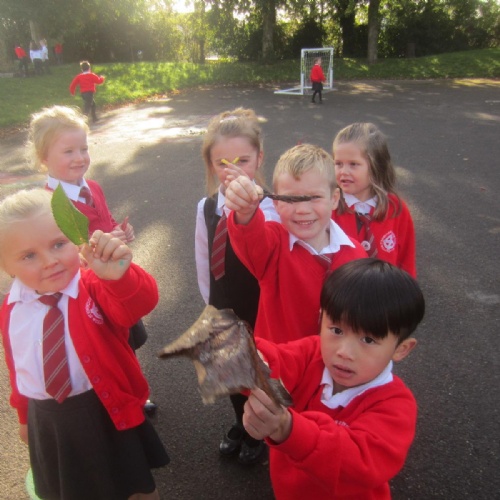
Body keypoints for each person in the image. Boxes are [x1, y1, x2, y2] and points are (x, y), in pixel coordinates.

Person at [0, 188, 169, 500]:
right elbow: (18, 366)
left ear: (75, 239)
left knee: (135, 486)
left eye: (58, 244)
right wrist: (23, 416)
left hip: (104, 408)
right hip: (49, 420)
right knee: (74, 488)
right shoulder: (11, 309)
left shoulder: (92, 285)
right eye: (28, 255)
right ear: (6, 266)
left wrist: (118, 277)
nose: (50, 261)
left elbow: (139, 304)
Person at [242, 258, 425, 500]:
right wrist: (243, 355)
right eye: (337, 330)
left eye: (368, 340)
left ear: (401, 348)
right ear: (321, 319)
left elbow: (358, 464)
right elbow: (277, 361)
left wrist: (288, 429)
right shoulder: (313, 354)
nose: (344, 352)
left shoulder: (396, 406)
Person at [28, 105, 157, 414]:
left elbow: (105, 220)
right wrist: (94, 248)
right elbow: (57, 254)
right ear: (44, 158)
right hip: (84, 292)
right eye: (68, 151)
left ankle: (134, 392)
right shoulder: (47, 205)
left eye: (83, 149)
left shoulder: (92, 187)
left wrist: (119, 232)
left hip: (113, 280)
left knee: (125, 341)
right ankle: (112, 400)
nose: (80, 158)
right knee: (103, 347)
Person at [196, 108, 280, 464]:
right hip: (223, 306)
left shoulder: (273, 208)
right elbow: (203, 256)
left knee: (260, 371)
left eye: (243, 160)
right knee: (230, 371)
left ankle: (261, 429)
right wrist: (211, 303)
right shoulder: (206, 207)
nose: (232, 171)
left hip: (260, 308)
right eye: (222, 162)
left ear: (259, 158)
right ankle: (240, 420)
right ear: (211, 164)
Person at [225, 143, 367, 346]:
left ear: (334, 199)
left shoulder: (356, 254)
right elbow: (249, 237)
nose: (302, 209)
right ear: (275, 204)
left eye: (314, 197)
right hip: (278, 363)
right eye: (291, 199)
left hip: (336, 361)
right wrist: (246, 210)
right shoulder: (273, 245)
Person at [332, 122, 416, 277]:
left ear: (376, 166)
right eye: (338, 164)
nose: (343, 171)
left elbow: (406, 259)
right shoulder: (330, 208)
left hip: (386, 289)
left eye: (353, 164)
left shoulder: (396, 209)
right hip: (341, 289)